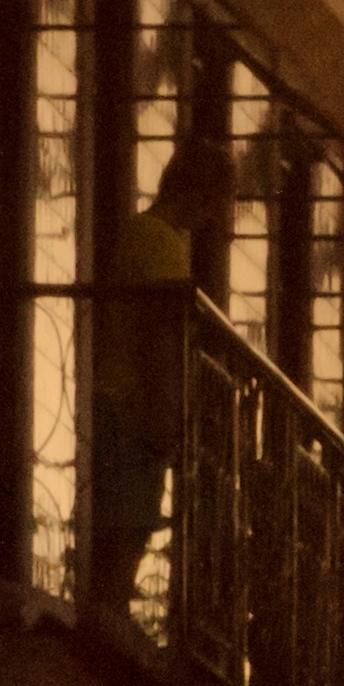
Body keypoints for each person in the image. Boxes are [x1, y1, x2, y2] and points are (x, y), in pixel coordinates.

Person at [87, 138, 232, 620]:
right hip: (133, 404)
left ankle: (108, 617)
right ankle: (109, 623)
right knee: (129, 529)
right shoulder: (162, 244)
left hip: (118, 399)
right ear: (199, 194)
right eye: (215, 202)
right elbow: (159, 338)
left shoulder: (143, 235)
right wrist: (166, 414)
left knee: (123, 528)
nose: (216, 217)